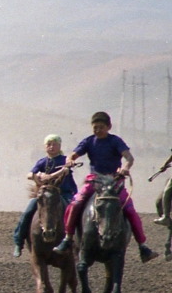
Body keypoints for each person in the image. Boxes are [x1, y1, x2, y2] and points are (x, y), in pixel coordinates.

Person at [55, 112, 156, 262]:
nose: (97, 130)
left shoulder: (115, 141)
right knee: (75, 204)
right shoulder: (89, 141)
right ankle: (68, 238)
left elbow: (129, 157)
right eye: (95, 127)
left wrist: (125, 168)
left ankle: (142, 246)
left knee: (129, 209)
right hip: (94, 182)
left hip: (114, 182)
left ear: (109, 127)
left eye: (101, 127)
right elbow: (72, 155)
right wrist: (70, 160)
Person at [11, 135, 78, 257]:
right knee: (28, 212)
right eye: (49, 144)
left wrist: (49, 176)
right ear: (45, 147)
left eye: (54, 144)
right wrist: (35, 176)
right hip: (45, 194)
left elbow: (65, 170)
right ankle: (18, 240)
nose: (51, 147)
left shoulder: (65, 159)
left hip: (64, 193)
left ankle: (77, 241)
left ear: (59, 146)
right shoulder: (42, 162)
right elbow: (30, 174)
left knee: (72, 212)